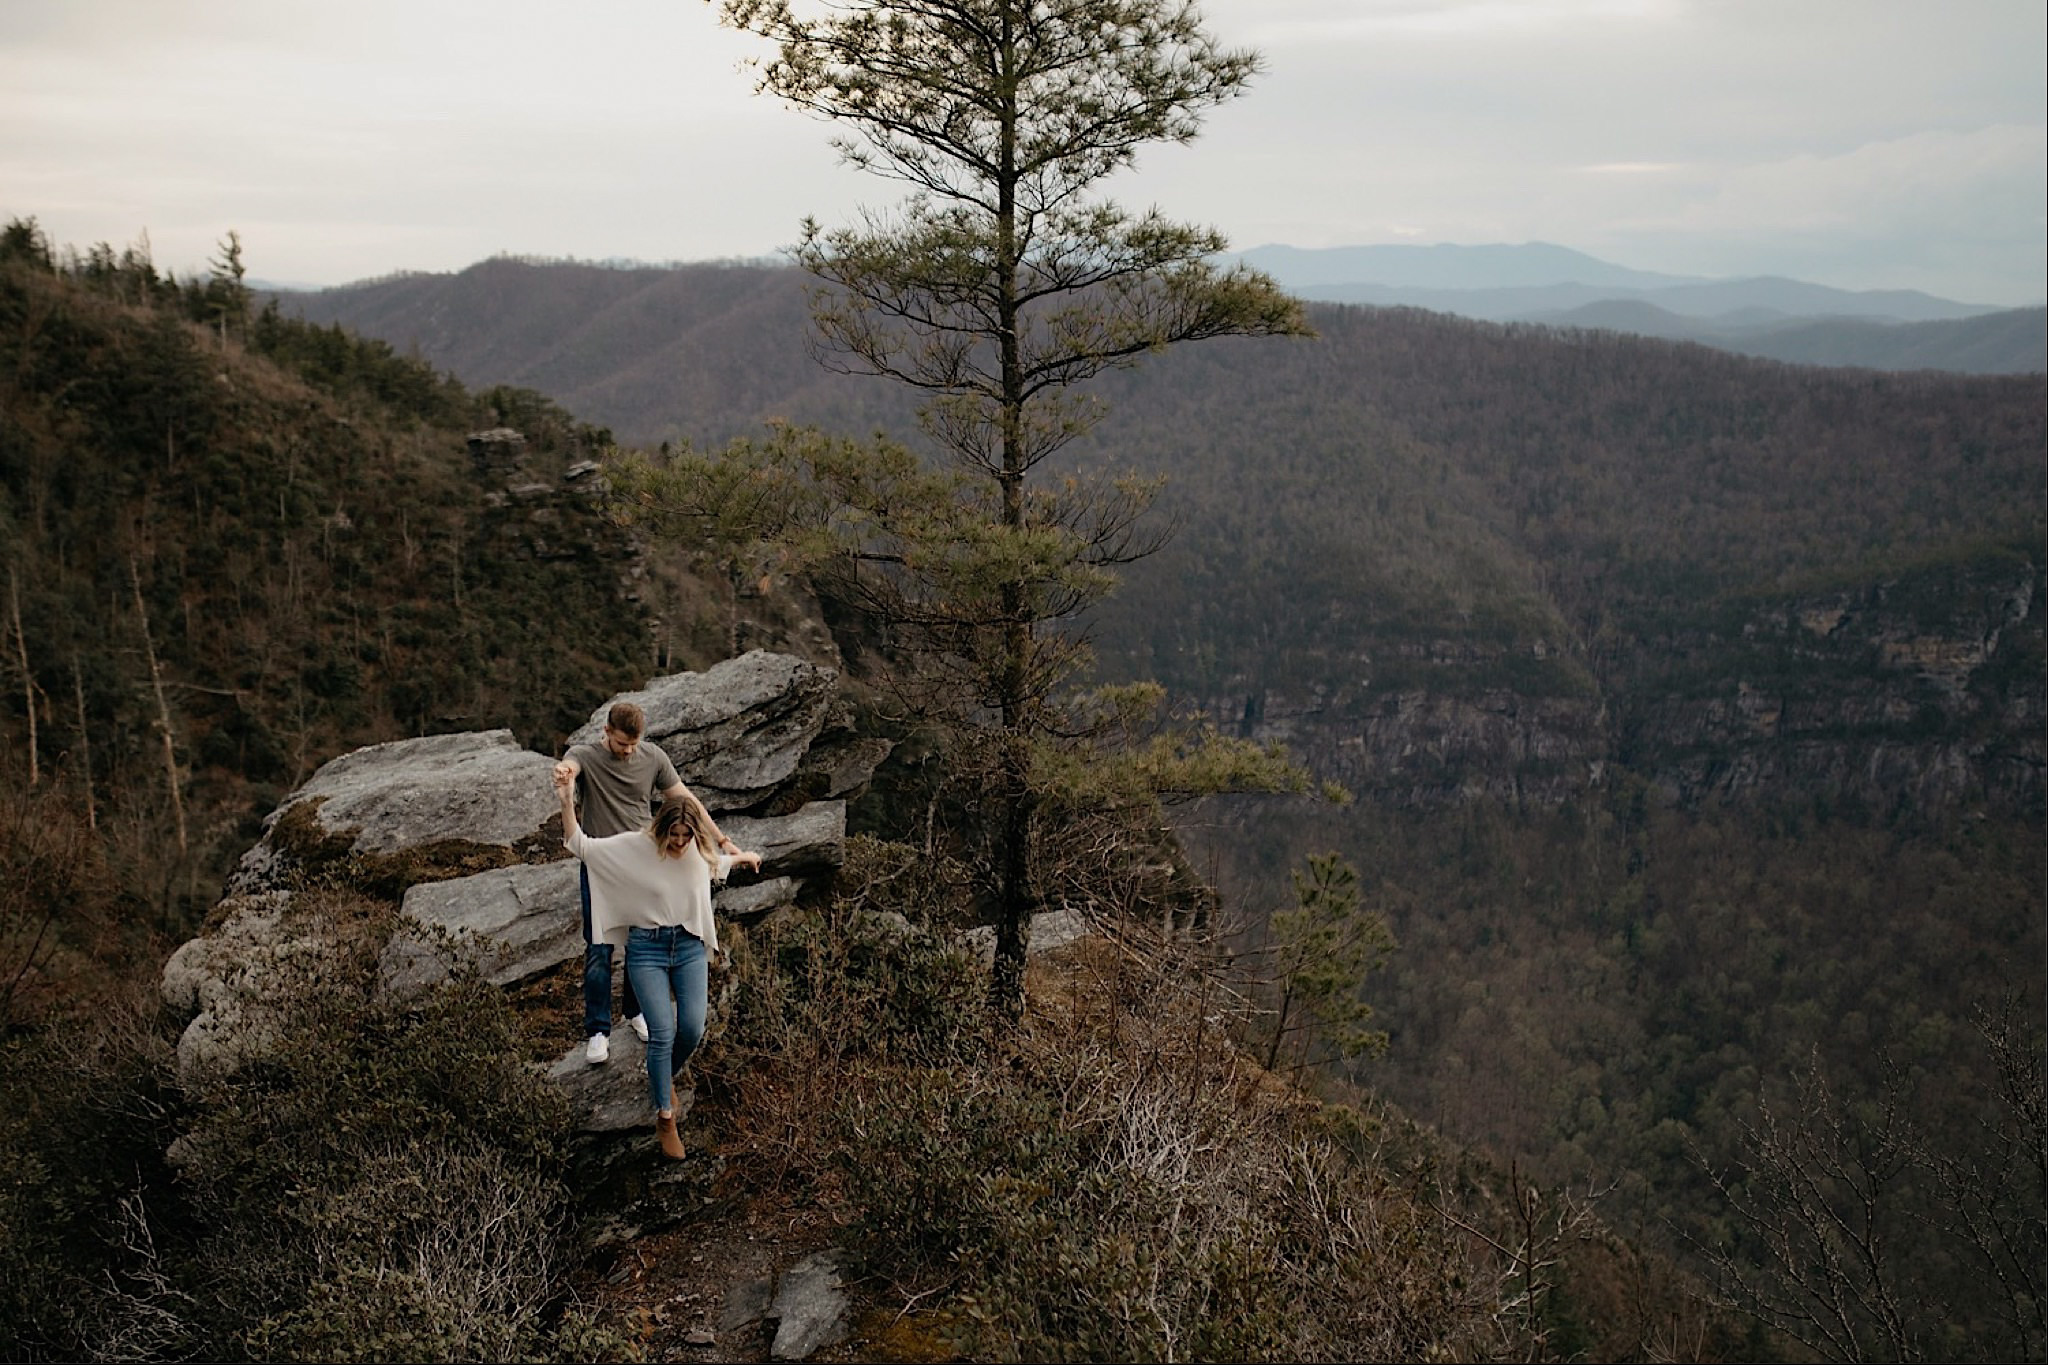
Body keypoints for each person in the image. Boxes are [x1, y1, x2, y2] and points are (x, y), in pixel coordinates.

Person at [554, 763, 762, 1159]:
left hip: (688, 949)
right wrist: (567, 802)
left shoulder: (697, 851)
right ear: (661, 828)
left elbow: (716, 864)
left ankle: (663, 1078)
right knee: (661, 1032)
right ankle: (665, 1113)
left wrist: (744, 856)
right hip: (646, 949)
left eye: (686, 836)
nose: (680, 843)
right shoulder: (635, 846)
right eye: (674, 835)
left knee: (692, 1029)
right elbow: (578, 844)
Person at [554, 702, 737, 1064]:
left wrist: (722, 841)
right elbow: (570, 767)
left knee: (641, 945)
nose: (628, 751)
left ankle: (634, 1012)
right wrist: (564, 773)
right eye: (622, 744)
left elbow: (687, 801)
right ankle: (597, 1031)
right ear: (606, 732)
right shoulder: (585, 755)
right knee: (600, 949)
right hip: (604, 866)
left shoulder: (653, 758)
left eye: (634, 744)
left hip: (645, 863)